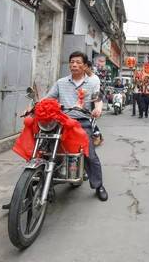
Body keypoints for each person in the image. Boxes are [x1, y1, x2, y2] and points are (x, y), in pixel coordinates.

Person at [46, 51, 108, 201]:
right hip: (62, 120)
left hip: (82, 121)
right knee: (45, 147)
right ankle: (42, 181)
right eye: (72, 62)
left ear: (85, 66)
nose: (74, 64)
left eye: (78, 62)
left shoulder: (92, 82)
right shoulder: (61, 82)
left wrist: (98, 108)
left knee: (90, 154)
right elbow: (48, 99)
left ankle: (98, 185)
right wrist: (34, 107)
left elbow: (97, 98)